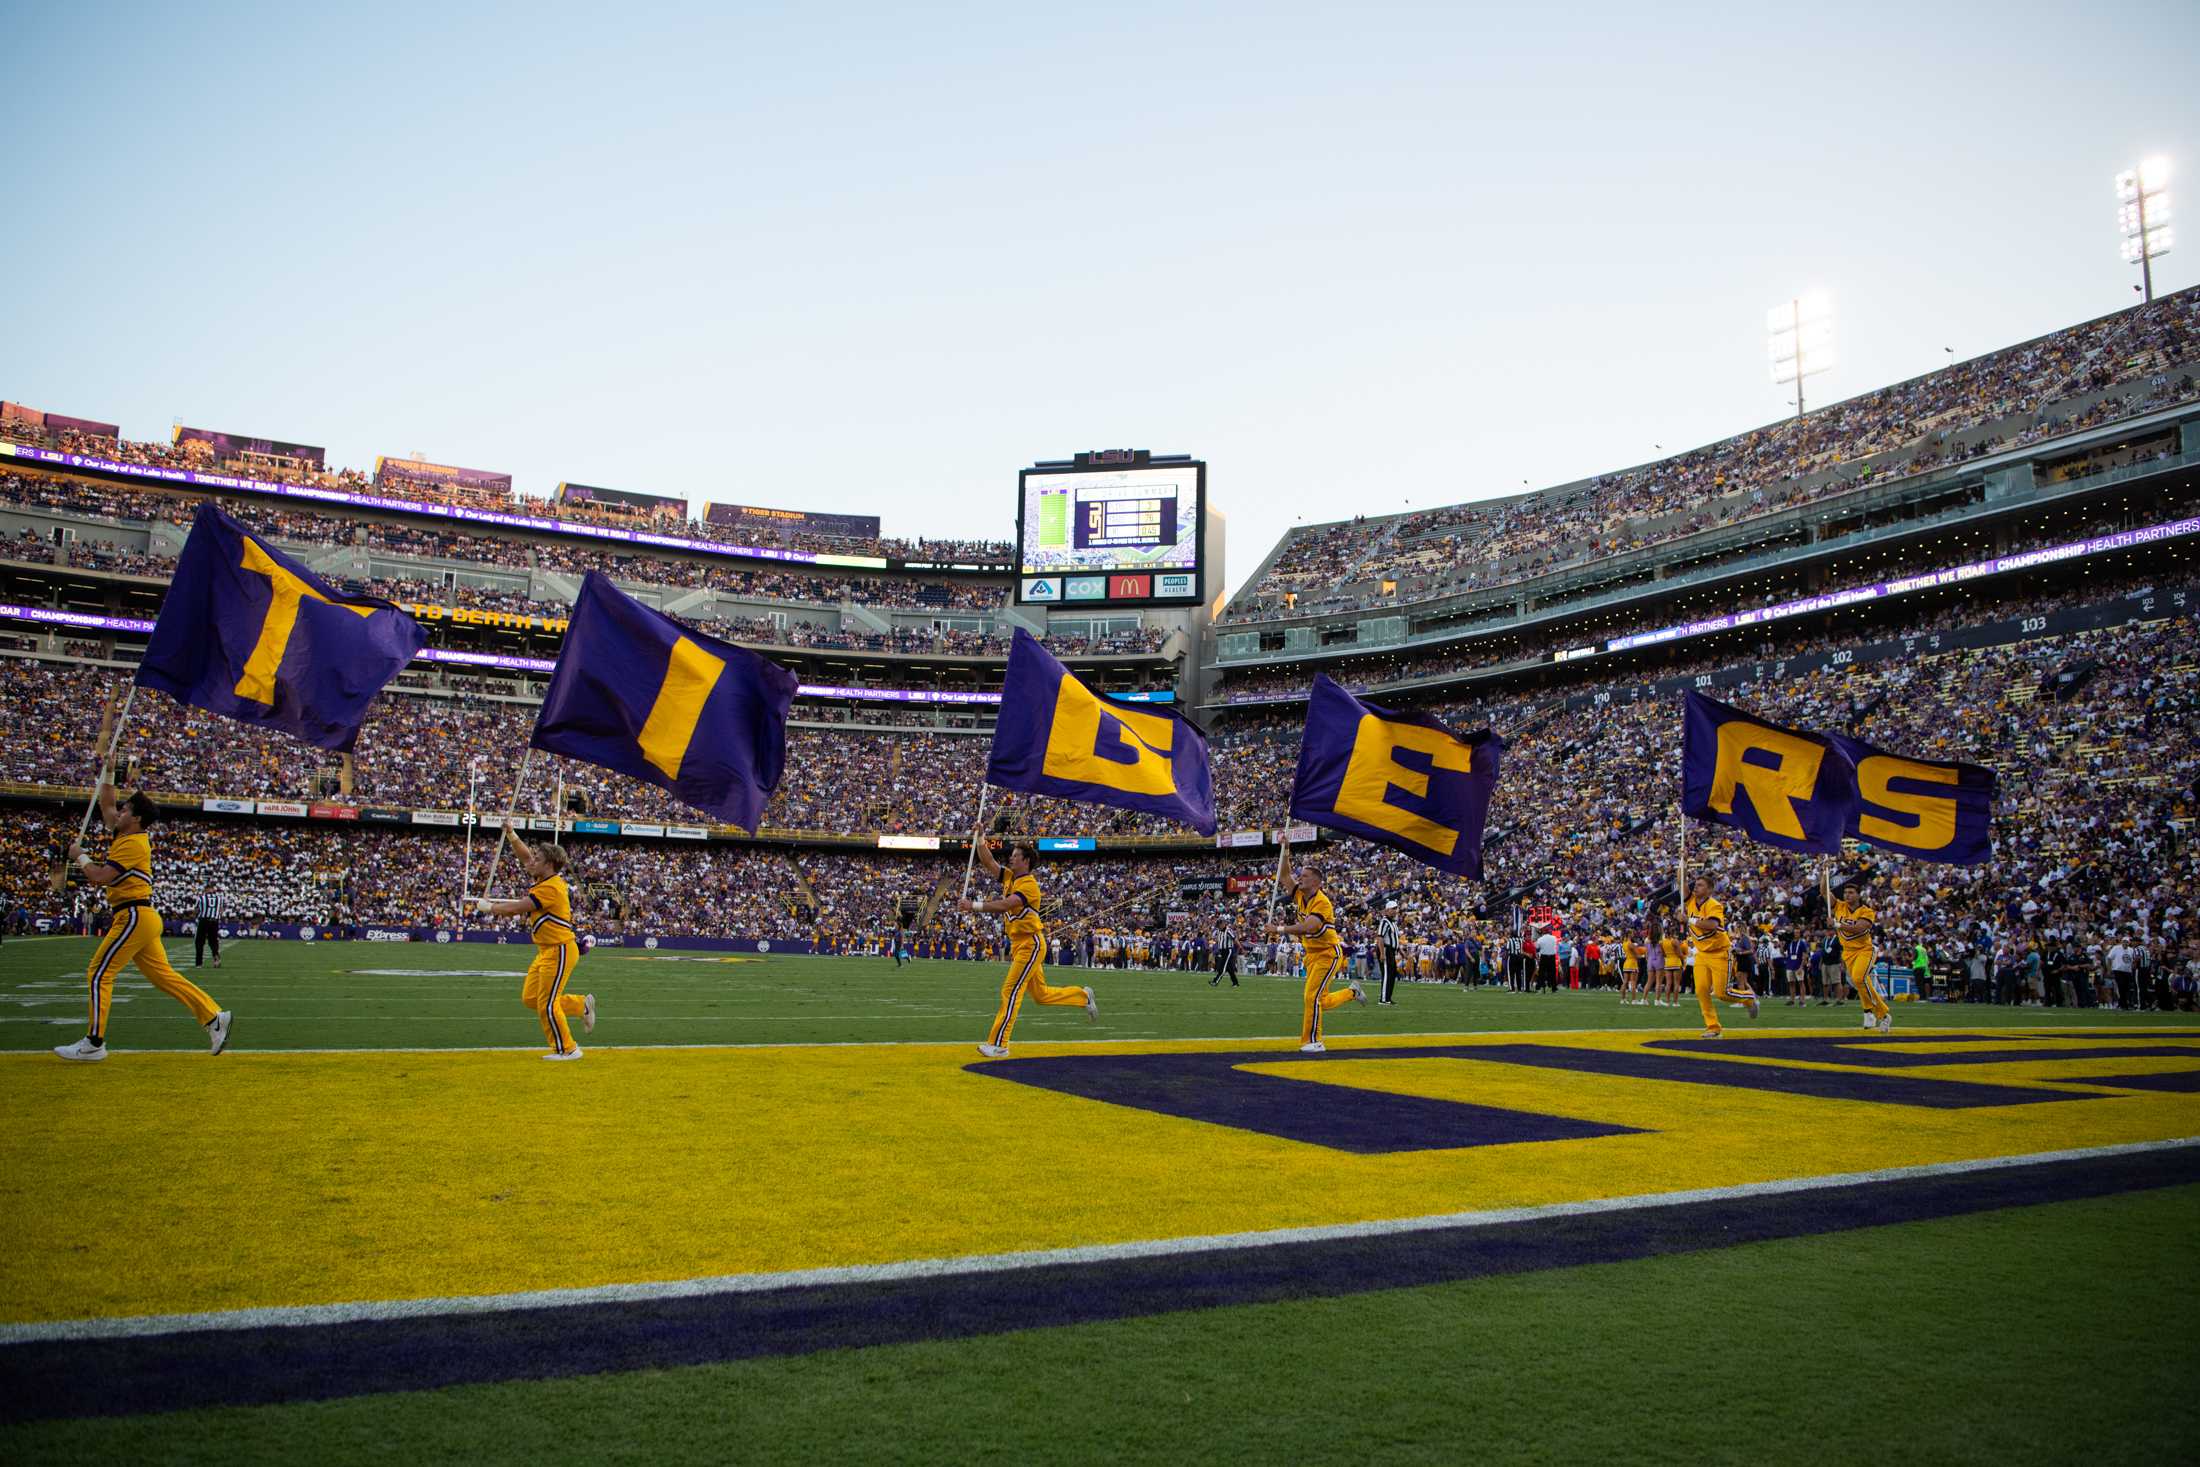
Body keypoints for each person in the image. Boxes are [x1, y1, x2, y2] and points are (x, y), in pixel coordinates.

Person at [55, 778, 232, 1062]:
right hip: (141, 916)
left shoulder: (133, 844)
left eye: (125, 811)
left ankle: (94, 1042)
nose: (118, 814)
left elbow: (100, 877)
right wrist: (110, 771)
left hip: (133, 915)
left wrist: (80, 856)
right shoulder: (127, 834)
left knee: (99, 973)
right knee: (164, 977)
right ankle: (214, 1017)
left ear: (136, 818)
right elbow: (107, 804)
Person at [961, 839, 1094, 1057]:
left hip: (1030, 944)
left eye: (1015, 855)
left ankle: (999, 1044)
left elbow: (1006, 904)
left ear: (1026, 861)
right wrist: (981, 839)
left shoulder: (1029, 885)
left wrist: (974, 906)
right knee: (1041, 996)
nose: (1011, 858)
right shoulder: (1010, 877)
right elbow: (988, 861)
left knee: (1010, 991)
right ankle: (1082, 996)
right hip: (1019, 945)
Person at [473, 825, 594, 1060]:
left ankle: (568, 1049)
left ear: (548, 864)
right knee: (531, 998)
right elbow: (526, 857)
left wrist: (490, 908)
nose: (532, 862)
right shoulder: (544, 876)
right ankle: (581, 1006)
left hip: (559, 950)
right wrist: (512, 834)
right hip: (547, 951)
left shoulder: (552, 887)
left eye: (538, 859)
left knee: (547, 1005)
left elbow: (519, 907)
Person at [1269, 853, 1363, 1053]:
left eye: (1304, 876)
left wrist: (1278, 929)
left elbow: (1310, 926)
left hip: (1327, 954)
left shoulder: (1322, 901)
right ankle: (1352, 992)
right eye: (1300, 875)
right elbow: (1284, 875)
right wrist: (1286, 848)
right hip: (1312, 954)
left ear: (1316, 882)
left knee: (1311, 997)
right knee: (1321, 1000)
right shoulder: (1301, 895)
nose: (1299, 878)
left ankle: (1313, 1041)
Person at [1686, 874, 1758, 1039]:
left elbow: (1712, 925)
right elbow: (1682, 882)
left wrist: (1690, 921)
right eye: (1695, 884)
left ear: (1710, 890)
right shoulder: (1690, 901)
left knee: (1722, 993)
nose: (1696, 887)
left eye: (1700, 885)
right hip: (1702, 954)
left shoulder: (1714, 905)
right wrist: (1682, 860)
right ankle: (1713, 1027)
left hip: (1720, 953)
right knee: (1701, 990)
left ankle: (1748, 998)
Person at [1829, 876, 1893, 1034]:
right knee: (1861, 982)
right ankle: (1872, 1013)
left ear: (1858, 895)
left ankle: (1878, 1012)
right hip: (1848, 952)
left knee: (1859, 978)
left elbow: (1859, 927)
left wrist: (1837, 924)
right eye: (1845, 893)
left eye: (1851, 892)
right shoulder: (1839, 906)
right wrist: (1824, 873)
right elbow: (1824, 892)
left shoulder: (1867, 911)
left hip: (1865, 950)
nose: (1847, 895)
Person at [1376, 904, 1401, 1005]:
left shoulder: (1393, 923)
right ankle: (1383, 999)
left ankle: (1388, 998)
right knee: (1386, 974)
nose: (1395, 911)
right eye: (1393, 909)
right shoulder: (1384, 921)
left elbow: (1395, 940)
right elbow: (1380, 937)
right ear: (1387, 910)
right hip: (1385, 950)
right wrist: (1382, 953)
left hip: (1391, 951)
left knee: (1392, 974)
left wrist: (1401, 951)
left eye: (1396, 909)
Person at [193, 885, 223, 968]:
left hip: (204, 920)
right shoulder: (219, 898)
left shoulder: (201, 898)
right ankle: (216, 956)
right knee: (213, 941)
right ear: (212, 890)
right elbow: (221, 910)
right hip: (214, 921)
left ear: (205, 890)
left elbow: (196, 910)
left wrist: (195, 916)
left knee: (199, 942)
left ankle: (199, 963)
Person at [1210, 920, 1240, 987]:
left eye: (1219, 925)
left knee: (1222, 967)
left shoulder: (1228, 931)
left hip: (1228, 951)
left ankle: (1215, 981)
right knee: (1230, 969)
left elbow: (1234, 939)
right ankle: (1235, 983)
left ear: (1223, 924)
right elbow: (1219, 939)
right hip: (1222, 951)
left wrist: (1241, 948)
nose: (1218, 927)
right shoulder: (1219, 931)